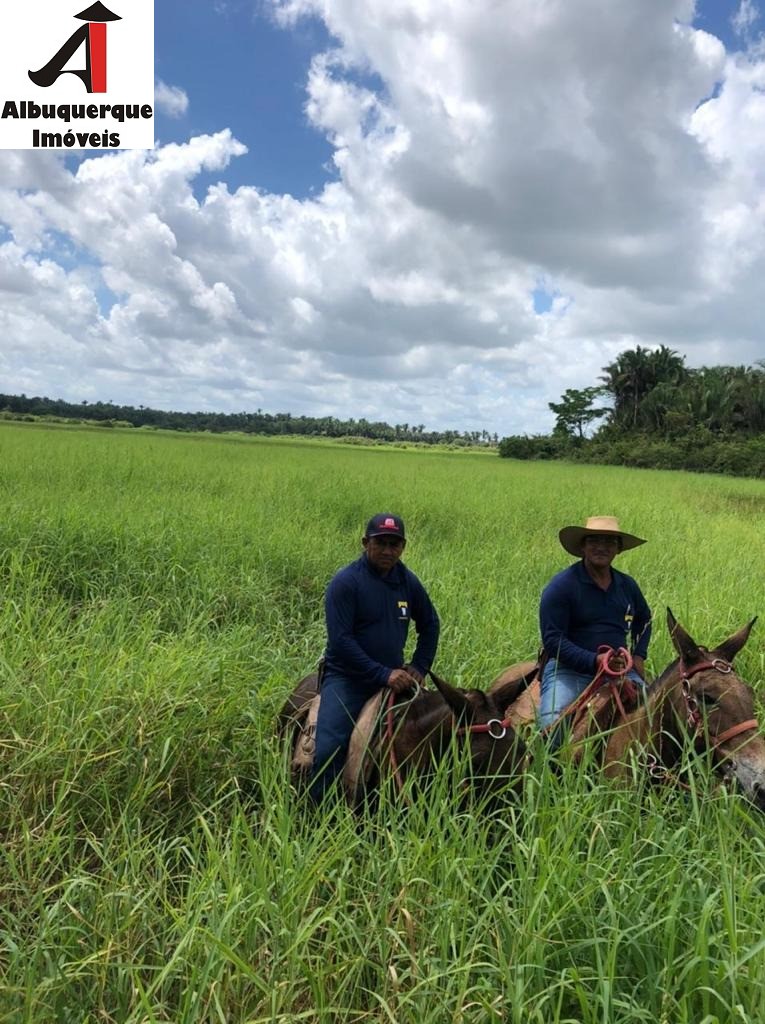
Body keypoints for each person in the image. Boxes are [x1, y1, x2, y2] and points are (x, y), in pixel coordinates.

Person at [309, 513, 440, 802]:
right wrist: (383, 674)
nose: (388, 551)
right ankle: (315, 813)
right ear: (365, 543)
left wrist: (419, 665)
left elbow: (430, 623)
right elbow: (341, 641)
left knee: (437, 733)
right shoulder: (346, 582)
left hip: (395, 679)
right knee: (329, 747)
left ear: (403, 547)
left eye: (395, 544)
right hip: (349, 678)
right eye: (381, 543)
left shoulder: (407, 581)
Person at [538, 515, 651, 748]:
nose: (602, 547)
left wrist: (639, 655)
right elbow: (553, 640)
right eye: (594, 541)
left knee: (657, 714)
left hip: (619, 669)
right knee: (552, 726)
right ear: (582, 546)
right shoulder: (562, 586)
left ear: (618, 549)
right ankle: (545, 774)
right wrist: (594, 660)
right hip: (569, 670)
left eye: (610, 542)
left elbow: (645, 619)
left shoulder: (626, 585)